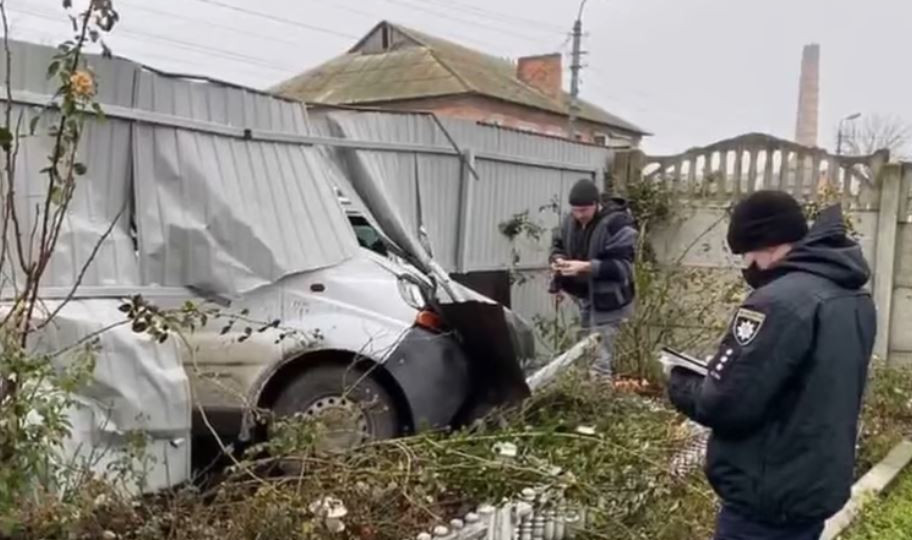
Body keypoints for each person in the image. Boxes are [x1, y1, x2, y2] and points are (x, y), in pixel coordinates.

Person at [666, 190, 877, 540]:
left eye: (745, 253)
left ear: (767, 244)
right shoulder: (854, 295)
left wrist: (679, 381)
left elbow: (727, 403)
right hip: (812, 485)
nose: (745, 264)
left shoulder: (777, 302)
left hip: (767, 498)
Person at [549, 178, 638, 380]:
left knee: (600, 361)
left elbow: (623, 268)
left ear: (596, 205)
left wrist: (587, 267)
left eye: (584, 211)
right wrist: (558, 260)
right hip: (582, 296)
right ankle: (585, 397)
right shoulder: (568, 221)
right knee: (583, 353)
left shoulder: (618, 224)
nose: (579, 215)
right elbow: (557, 246)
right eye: (575, 210)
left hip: (610, 300)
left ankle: (601, 398)